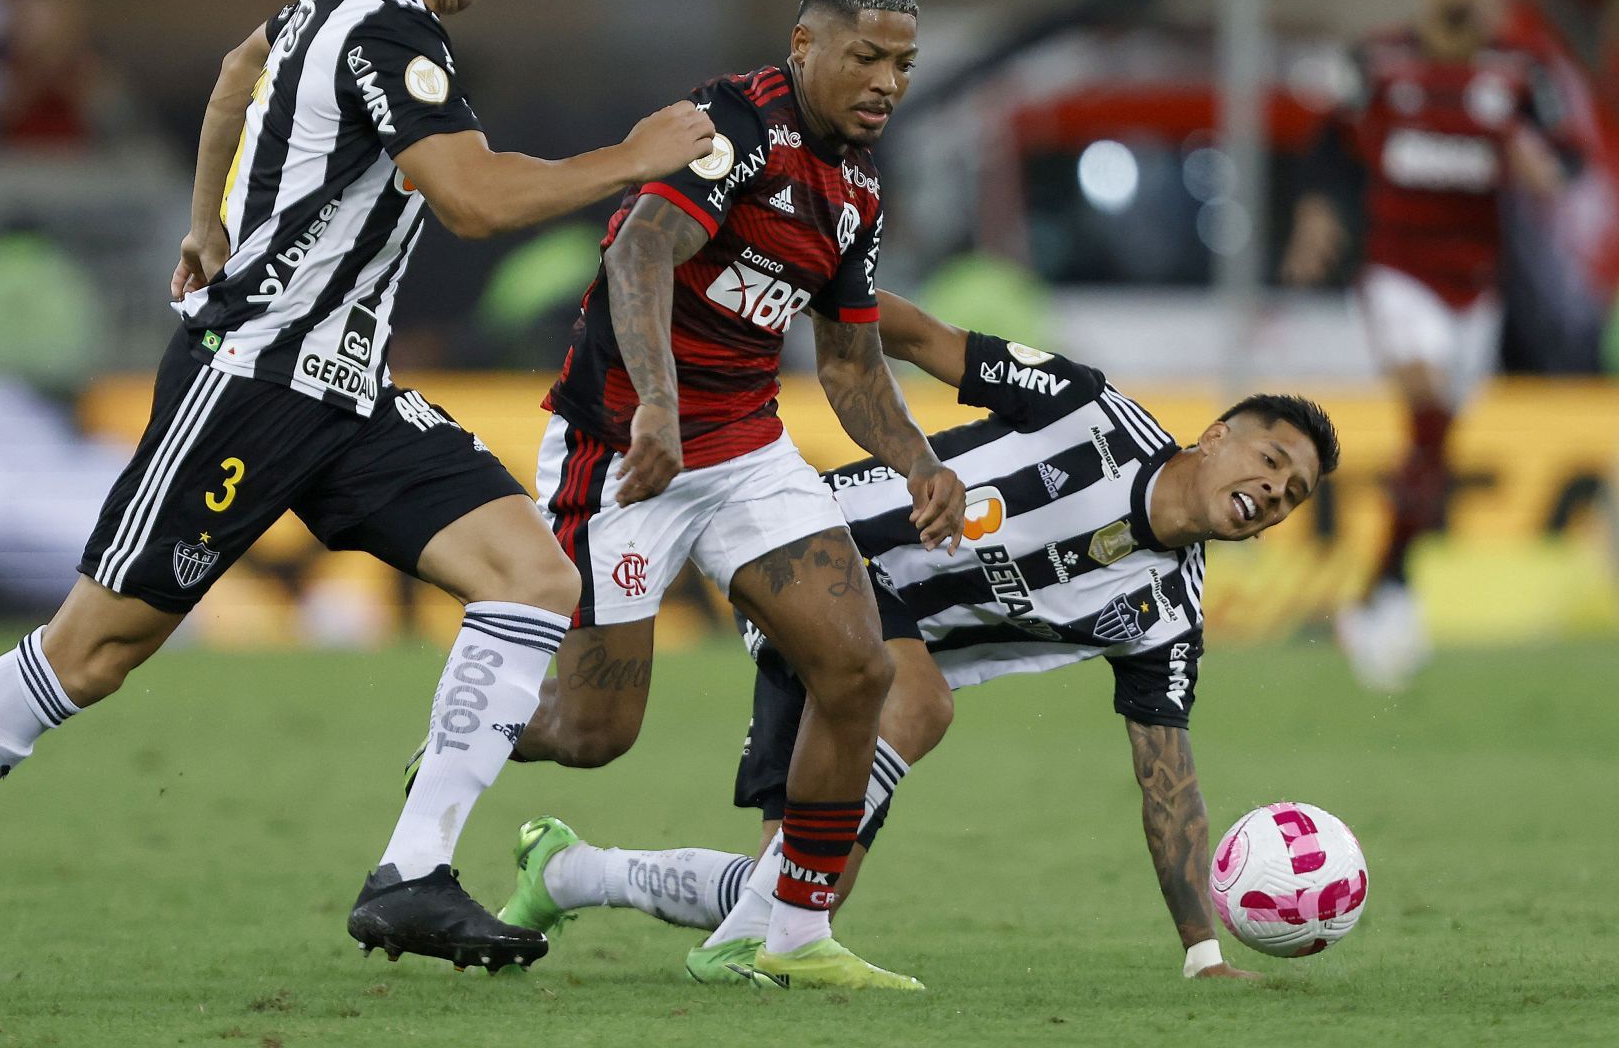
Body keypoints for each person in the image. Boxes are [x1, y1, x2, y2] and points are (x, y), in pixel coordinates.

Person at [0, 0, 716, 1005]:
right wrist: (636, 153)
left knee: (535, 577)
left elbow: (238, 76)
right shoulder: (388, 35)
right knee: (93, 652)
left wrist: (206, 219)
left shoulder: (325, 3)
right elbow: (474, 202)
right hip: (249, 386)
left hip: (349, 395)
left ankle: (412, 867)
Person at [494, 290, 1339, 987]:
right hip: (811, 547)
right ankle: (747, 941)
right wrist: (796, 292)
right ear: (1217, 434)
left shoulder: (1169, 617)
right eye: (1270, 460)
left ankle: (568, 871)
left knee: (796, 887)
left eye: (1293, 494)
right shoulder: (1088, 412)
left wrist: (1203, 954)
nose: (1274, 490)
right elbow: (927, 338)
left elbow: (1168, 780)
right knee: (920, 703)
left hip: (872, 665)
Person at [496, 0, 967, 991]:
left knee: (858, 668)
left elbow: (845, 359)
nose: (888, 81)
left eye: (904, 63)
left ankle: (787, 932)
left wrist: (919, 459)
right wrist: (657, 403)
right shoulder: (733, 127)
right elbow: (638, 255)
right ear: (805, 47)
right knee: (594, 730)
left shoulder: (860, 189)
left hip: (746, 452)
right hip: (627, 456)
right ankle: (481, 723)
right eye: (866, 56)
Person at [1281, 0, 1566, 691]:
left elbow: (1561, 156)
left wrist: (1547, 167)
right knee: (1429, 412)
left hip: (1478, 289)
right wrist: (1317, 216)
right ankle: (1386, 593)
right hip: (1397, 276)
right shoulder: (1376, 63)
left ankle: (1386, 588)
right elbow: (1324, 146)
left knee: (1436, 444)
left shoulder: (1520, 73)